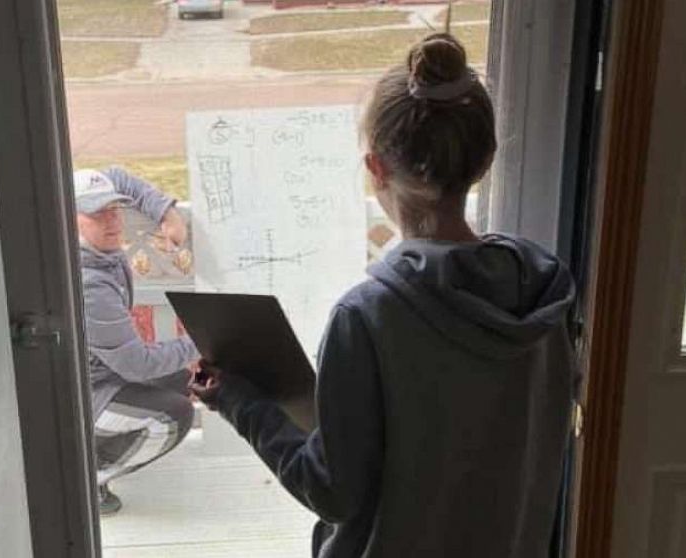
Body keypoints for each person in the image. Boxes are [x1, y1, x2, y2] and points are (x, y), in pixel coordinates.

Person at [192, 33, 578, 557]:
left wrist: (236, 399)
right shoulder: (543, 294)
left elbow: (331, 489)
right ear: (485, 160)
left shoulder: (368, 317)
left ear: (376, 168)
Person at [75, 167, 199, 516]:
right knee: (174, 417)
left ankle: (97, 452)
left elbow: (118, 176)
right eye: (96, 213)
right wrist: (200, 341)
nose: (113, 221)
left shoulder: (98, 255)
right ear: (70, 220)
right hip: (83, 398)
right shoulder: (88, 284)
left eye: (114, 209)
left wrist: (167, 212)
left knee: (186, 380)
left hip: (102, 376)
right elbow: (136, 364)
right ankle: (87, 478)